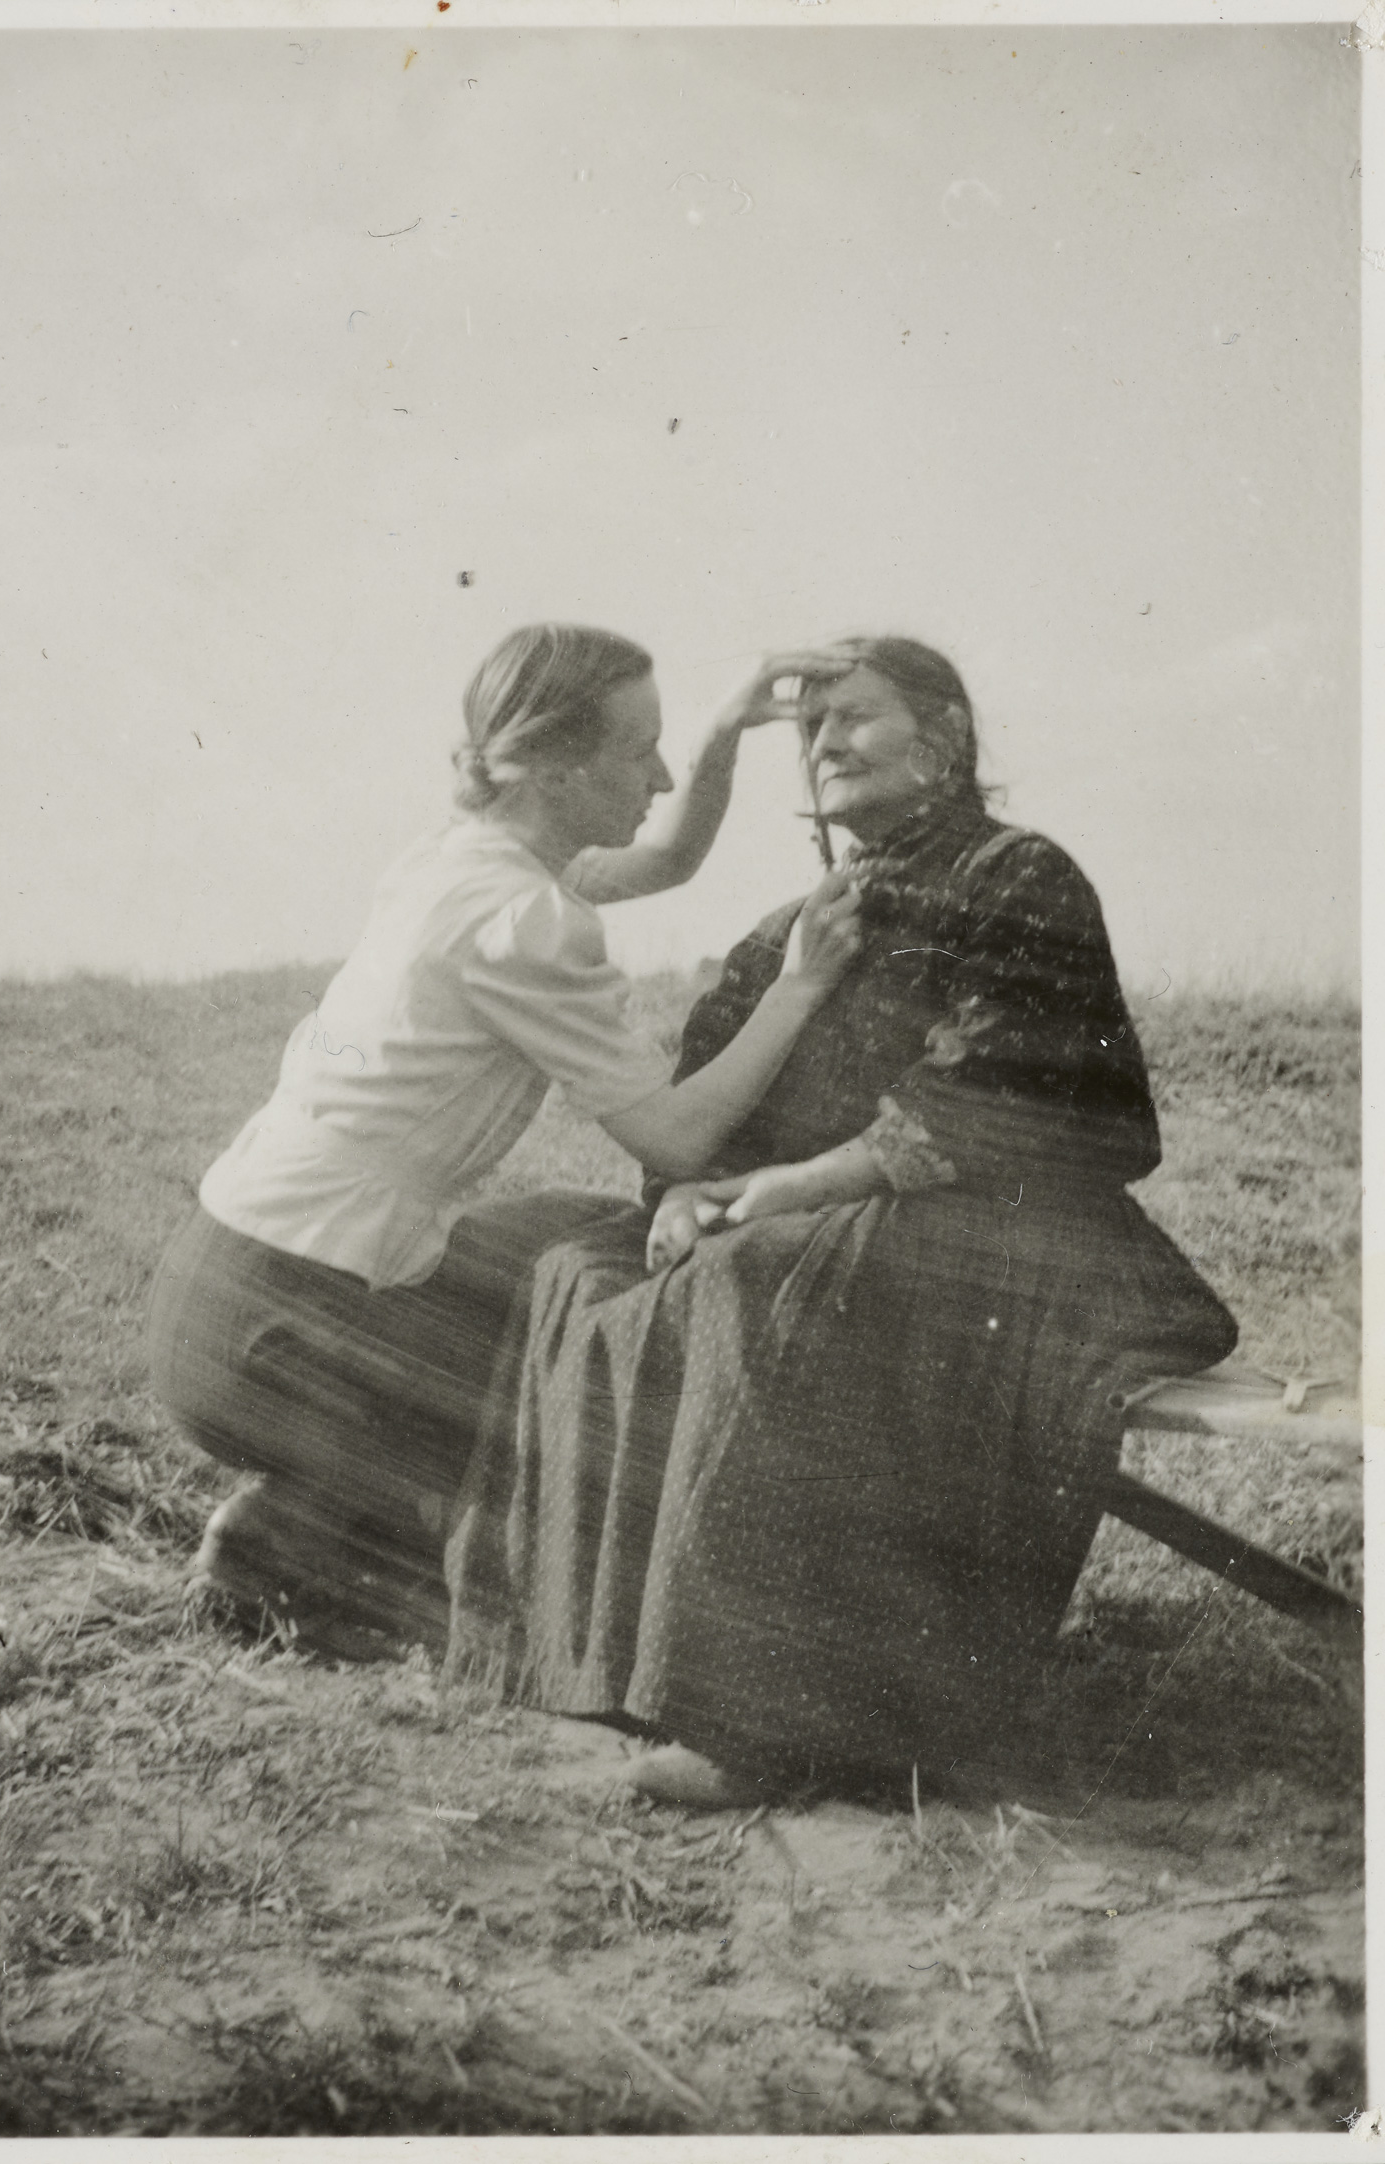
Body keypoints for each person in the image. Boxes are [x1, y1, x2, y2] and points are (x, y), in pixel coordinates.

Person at [444, 635, 1239, 1806]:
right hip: (836, 1227)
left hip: (1015, 1235)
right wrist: (688, 1195)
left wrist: (792, 1190)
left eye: (855, 716)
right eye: (812, 726)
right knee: (577, 1264)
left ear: (945, 738)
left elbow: (1021, 1093)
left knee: (769, 1279)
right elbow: (711, 1088)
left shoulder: (1018, 875)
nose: (824, 742)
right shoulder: (793, 924)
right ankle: (596, 1663)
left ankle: (766, 1725)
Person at [145, 623, 865, 1652]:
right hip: (278, 1336)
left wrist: (725, 730)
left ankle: (340, 1509)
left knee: (572, 1236)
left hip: (220, 1290)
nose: (662, 777)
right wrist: (800, 984)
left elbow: (669, 857)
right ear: (558, 769)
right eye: (640, 752)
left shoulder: (460, 857)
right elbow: (677, 1133)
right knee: (573, 1311)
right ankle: (291, 1534)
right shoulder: (525, 919)